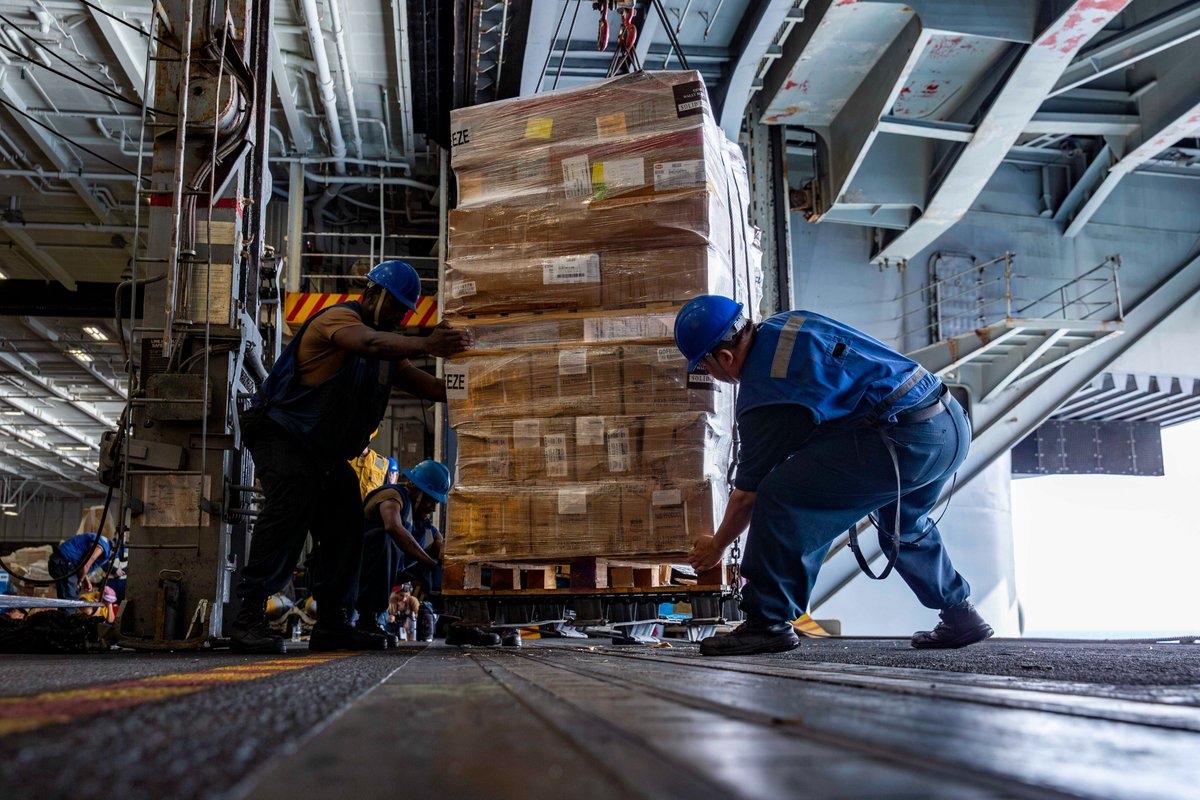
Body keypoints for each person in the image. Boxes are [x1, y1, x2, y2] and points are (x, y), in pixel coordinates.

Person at [673, 296, 993, 656]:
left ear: (725, 357)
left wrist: (716, 545)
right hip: (948, 423)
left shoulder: (763, 393)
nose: (709, 375)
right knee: (904, 525)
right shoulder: (787, 323)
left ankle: (768, 623)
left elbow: (748, 496)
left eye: (705, 366)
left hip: (906, 440)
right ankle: (960, 614)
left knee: (781, 496)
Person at [230, 261, 473, 653]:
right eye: (395, 307)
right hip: (284, 434)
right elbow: (370, 343)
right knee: (290, 506)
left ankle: (333, 622)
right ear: (373, 294)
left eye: (403, 312)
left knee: (347, 523)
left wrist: (481, 387)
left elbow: (429, 386)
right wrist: (428, 344)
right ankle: (247, 618)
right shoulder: (340, 320)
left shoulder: (387, 353)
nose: (398, 317)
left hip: (322, 452)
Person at [354, 459, 450, 643]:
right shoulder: (393, 496)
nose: (433, 507)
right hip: (357, 568)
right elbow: (393, 526)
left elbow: (441, 547)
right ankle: (367, 619)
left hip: (385, 573)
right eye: (430, 499)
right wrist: (428, 561)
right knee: (385, 539)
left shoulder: (422, 524)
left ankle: (448, 615)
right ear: (415, 488)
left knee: (434, 555)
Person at [48, 531, 113, 600]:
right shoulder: (102, 547)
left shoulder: (102, 541)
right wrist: (80, 581)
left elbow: (82, 564)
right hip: (63, 563)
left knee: (71, 596)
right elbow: (86, 565)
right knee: (70, 599)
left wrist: (86, 580)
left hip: (60, 562)